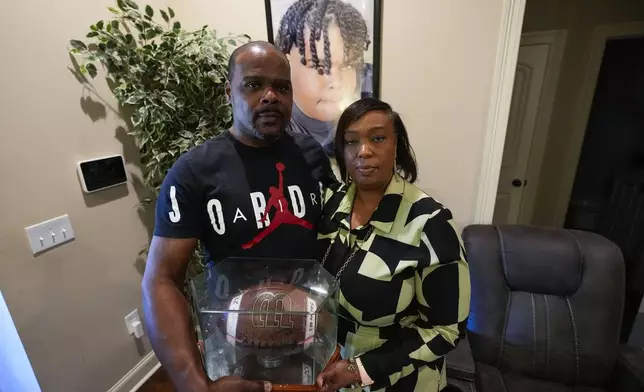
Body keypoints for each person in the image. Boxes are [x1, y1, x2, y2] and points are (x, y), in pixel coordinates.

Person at [141, 41, 336, 392]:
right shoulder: (193, 172)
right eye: (253, 84)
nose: (270, 96)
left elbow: (335, 241)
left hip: (310, 340)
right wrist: (194, 384)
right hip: (236, 348)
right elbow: (161, 281)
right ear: (228, 92)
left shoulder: (312, 156)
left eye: (282, 86)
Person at [315, 98, 471, 392]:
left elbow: (446, 330)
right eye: (351, 141)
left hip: (398, 380)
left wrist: (358, 369)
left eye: (377, 138)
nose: (364, 151)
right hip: (329, 370)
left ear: (396, 145)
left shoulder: (430, 224)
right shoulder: (330, 205)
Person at [275, 0, 372, 155]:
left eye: (348, 65)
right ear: (287, 64)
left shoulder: (369, 103)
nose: (336, 82)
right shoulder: (271, 127)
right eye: (319, 67)